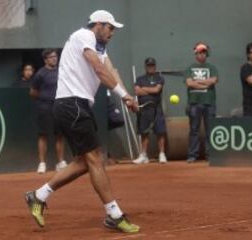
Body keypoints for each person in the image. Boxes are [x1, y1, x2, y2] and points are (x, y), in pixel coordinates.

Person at [24, 10, 140, 233]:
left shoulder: (99, 46)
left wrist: (126, 96)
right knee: (95, 159)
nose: (113, 32)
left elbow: (110, 70)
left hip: (77, 105)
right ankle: (114, 215)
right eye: (110, 27)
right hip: (71, 104)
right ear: (98, 25)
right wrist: (123, 96)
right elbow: (98, 68)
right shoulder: (83, 36)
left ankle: (38, 195)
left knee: (84, 162)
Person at [30, 49, 67, 174]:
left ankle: (61, 163)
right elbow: (33, 92)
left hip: (59, 107)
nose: (54, 59)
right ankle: (42, 164)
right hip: (44, 108)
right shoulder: (40, 74)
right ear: (45, 59)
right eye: (51, 57)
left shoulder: (61, 72)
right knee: (43, 134)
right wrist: (45, 98)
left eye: (55, 56)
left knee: (60, 135)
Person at [185, 42, 218, 163]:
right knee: (194, 130)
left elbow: (213, 81)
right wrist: (205, 82)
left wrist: (197, 83)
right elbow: (189, 83)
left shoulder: (212, 68)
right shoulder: (189, 68)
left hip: (209, 103)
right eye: (199, 52)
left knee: (210, 129)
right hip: (194, 103)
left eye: (204, 52)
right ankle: (192, 155)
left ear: (207, 54)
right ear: (196, 54)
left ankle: (210, 155)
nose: (202, 54)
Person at [133, 57, 167, 164]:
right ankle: (144, 155)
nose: (150, 67)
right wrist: (150, 90)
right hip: (144, 109)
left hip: (156, 109)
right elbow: (137, 92)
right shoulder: (139, 79)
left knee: (160, 131)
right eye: (149, 65)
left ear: (155, 66)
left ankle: (161, 154)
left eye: (152, 65)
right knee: (144, 132)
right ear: (145, 66)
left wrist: (144, 89)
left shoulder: (159, 78)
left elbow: (157, 90)